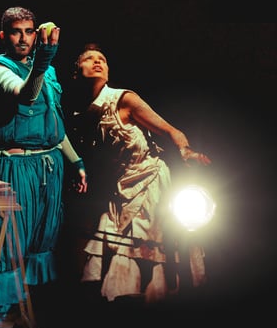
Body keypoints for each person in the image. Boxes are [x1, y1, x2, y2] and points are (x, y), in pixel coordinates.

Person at [0, 6, 88, 328]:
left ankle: (24, 318)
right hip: (15, 168)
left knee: (38, 246)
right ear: (3, 35)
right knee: (5, 246)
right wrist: (44, 59)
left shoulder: (47, 71)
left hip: (49, 167)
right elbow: (25, 96)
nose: (23, 38)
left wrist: (76, 161)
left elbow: (53, 123)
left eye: (29, 31)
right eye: (16, 32)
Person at [68, 43, 211, 304]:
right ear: (76, 72)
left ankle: (157, 308)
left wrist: (186, 151)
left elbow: (170, 130)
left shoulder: (123, 99)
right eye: (89, 59)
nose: (98, 62)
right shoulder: (80, 115)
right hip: (118, 189)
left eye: (102, 59)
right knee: (115, 248)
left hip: (149, 181)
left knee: (148, 249)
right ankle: (123, 313)